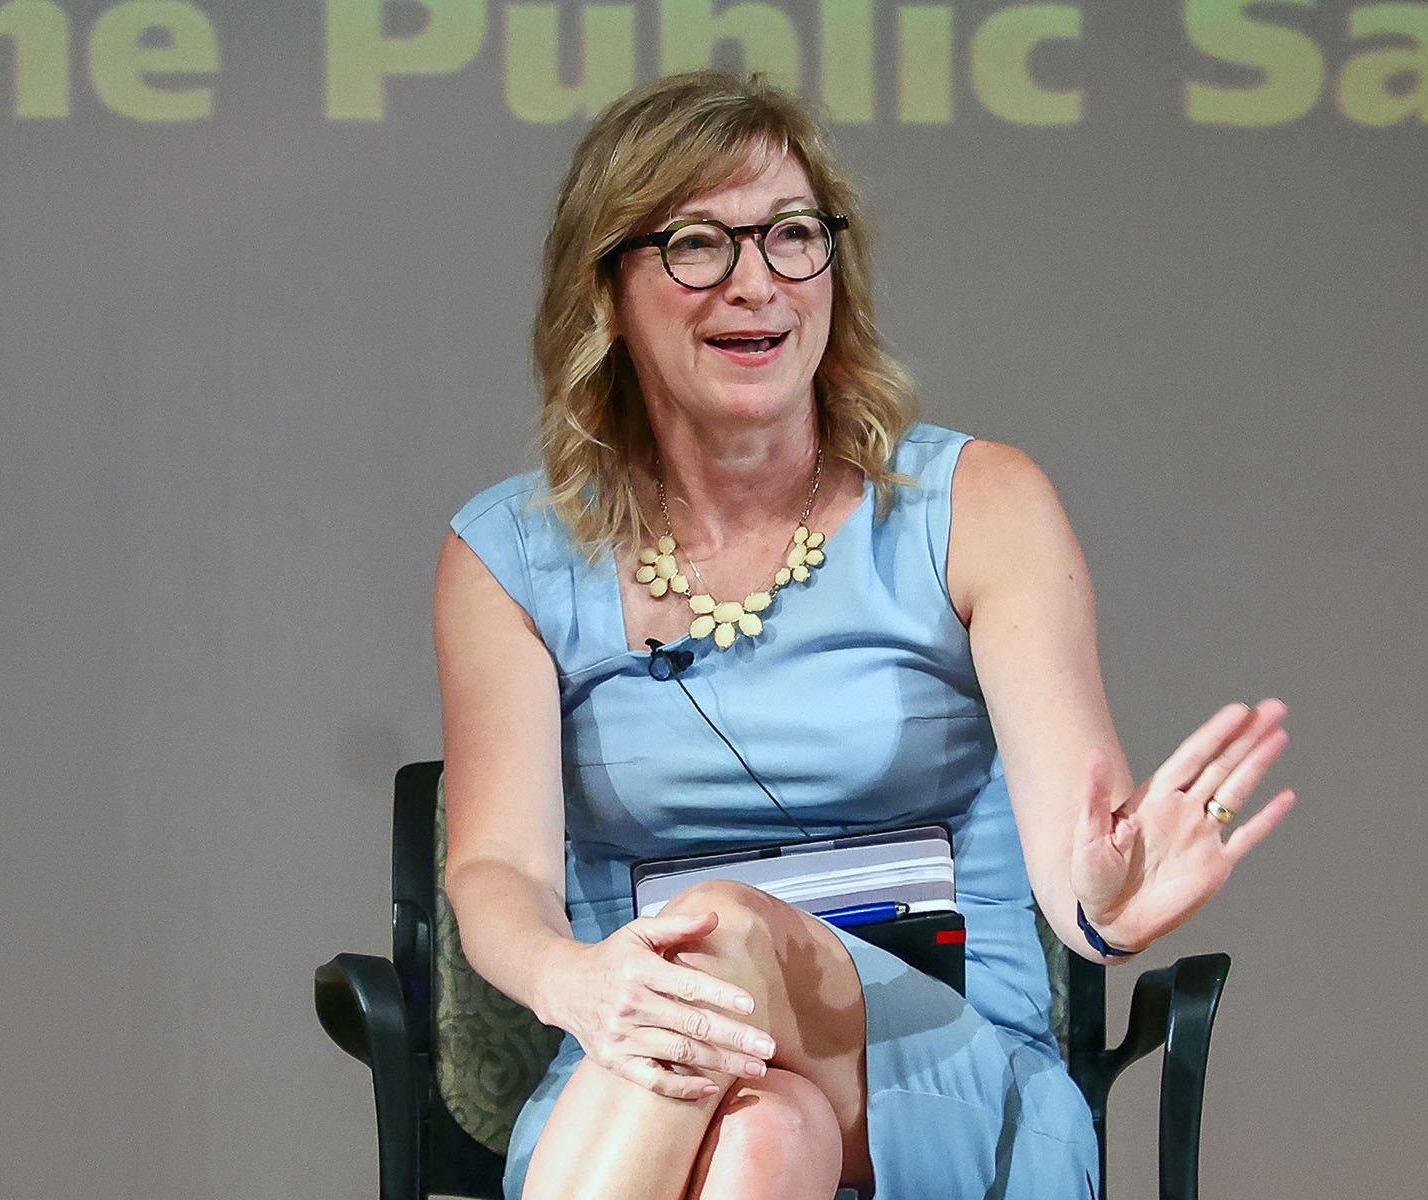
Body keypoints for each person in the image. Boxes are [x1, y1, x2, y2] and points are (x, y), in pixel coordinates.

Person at [434, 71, 1295, 1200]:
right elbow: (498, 868)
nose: (757, 282)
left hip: (942, 1054)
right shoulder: (511, 556)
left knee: (719, 931)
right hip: (638, 1062)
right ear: (607, 287)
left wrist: (1106, 905)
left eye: (793, 235)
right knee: (759, 1142)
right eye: (698, 244)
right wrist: (572, 985)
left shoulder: (978, 503)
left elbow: (1078, 856)